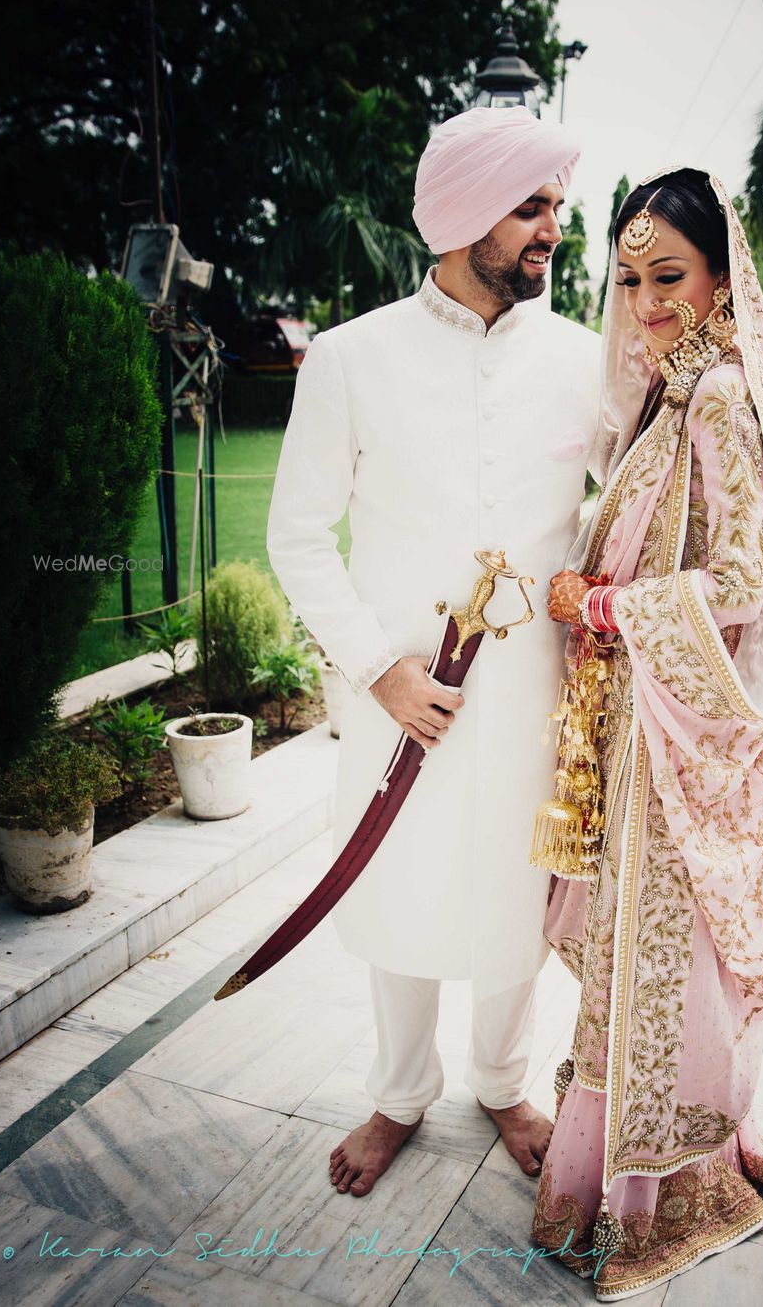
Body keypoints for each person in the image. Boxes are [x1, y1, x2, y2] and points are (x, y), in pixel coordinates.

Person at [266, 104, 608, 1198]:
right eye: (531, 205)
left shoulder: (588, 364)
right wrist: (379, 669)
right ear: (464, 216)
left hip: (533, 701)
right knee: (396, 881)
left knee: (518, 894)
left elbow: (635, 510)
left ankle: (503, 1081)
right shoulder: (350, 356)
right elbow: (296, 533)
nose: (553, 227)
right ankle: (400, 1094)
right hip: (395, 692)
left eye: (557, 205)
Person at [530, 167, 763, 1300]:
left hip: (675, 726)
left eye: (669, 276)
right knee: (649, 956)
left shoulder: (720, 396)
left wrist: (597, 607)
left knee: (672, 955)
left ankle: (676, 1169)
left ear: (718, 276)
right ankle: (661, 1151)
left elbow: (738, 577)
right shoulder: (663, 393)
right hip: (637, 716)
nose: (646, 302)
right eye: (631, 279)